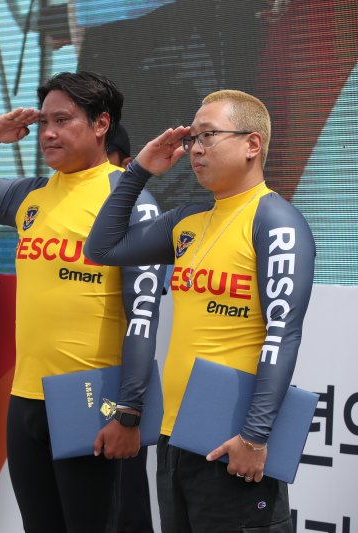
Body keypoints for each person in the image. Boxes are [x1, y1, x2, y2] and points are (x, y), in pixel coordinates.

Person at [0, 71, 166, 532]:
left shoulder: (129, 199)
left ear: (101, 125)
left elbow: (143, 315)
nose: (48, 133)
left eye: (63, 120)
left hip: (91, 400)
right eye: (43, 123)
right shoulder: (30, 194)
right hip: (26, 401)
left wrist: (129, 410)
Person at [84, 89, 315, 532]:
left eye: (209, 135)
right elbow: (102, 248)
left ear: (252, 145)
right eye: (193, 139)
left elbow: (282, 333)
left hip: (233, 440)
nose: (195, 148)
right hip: (174, 436)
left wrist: (255, 436)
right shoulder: (187, 221)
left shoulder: (276, 221)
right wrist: (137, 172)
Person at [106, 124, 154, 533]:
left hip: (120, 384)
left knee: (126, 506)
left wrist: (129, 407)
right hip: (70, 385)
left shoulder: (140, 208)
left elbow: (142, 312)